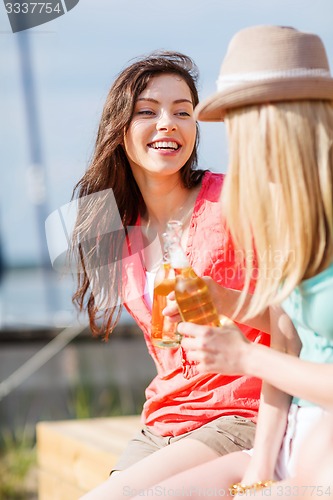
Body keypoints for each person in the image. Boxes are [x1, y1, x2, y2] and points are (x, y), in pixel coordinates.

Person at [130, 25, 333, 499]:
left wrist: (243, 355)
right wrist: (261, 465)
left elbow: (270, 354)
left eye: (239, 120)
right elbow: (288, 336)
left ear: (277, 118)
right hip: (287, 437)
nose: (234, 142)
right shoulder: (287, 212)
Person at [70, 51, 269, 499]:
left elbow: (292, 322)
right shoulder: (112, 230)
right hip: (163, 420)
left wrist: (223, 300)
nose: (168, 122)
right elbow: (166, 350)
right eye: (148, 111)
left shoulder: (234, 201)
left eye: (183, 111)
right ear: (120, 130)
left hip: (240, 411)